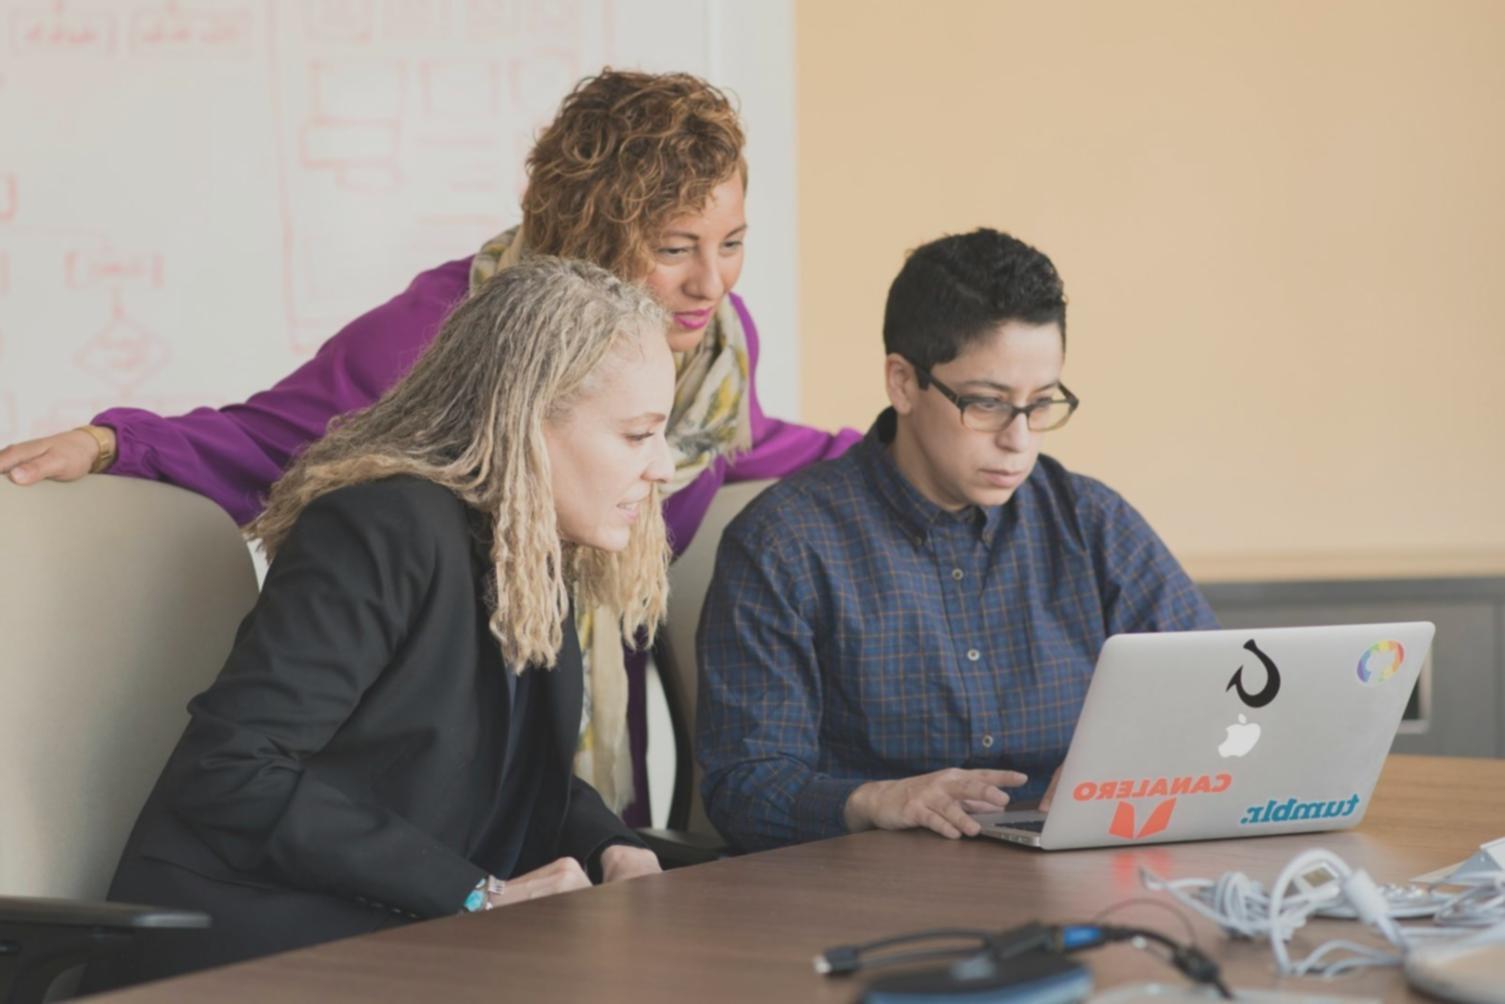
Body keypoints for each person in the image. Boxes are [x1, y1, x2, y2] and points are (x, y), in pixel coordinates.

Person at [0, 69, 858, 822]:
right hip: (438, 755)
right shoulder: (442, 332)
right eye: (675, 249)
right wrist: (110, 445)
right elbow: (269, 440)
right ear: (593, 235)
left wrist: (896, 450)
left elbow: (733, 444)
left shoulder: (709, 343)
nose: (711, 281)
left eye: (732, 243)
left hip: (571, 748)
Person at [85, 257, 671, 991]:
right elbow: (232, 771)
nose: (664, 467)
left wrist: (613, 848)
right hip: (252, 935)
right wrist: (477, 896)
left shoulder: (532, 545)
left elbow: (510, 771)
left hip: (397, 926)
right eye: (637, 436)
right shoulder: (379, 526)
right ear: (528, 422)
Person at [695, 229, 1219, 852]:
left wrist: (1134, 776)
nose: (1019, 440)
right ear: (903, 383)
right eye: (987, 404)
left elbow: (1213, 698)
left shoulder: (1092, 523)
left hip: (1079, 879)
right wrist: (877, 800)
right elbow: (745, 788)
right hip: (870, 896)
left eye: (1041, 404)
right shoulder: (785, 545)